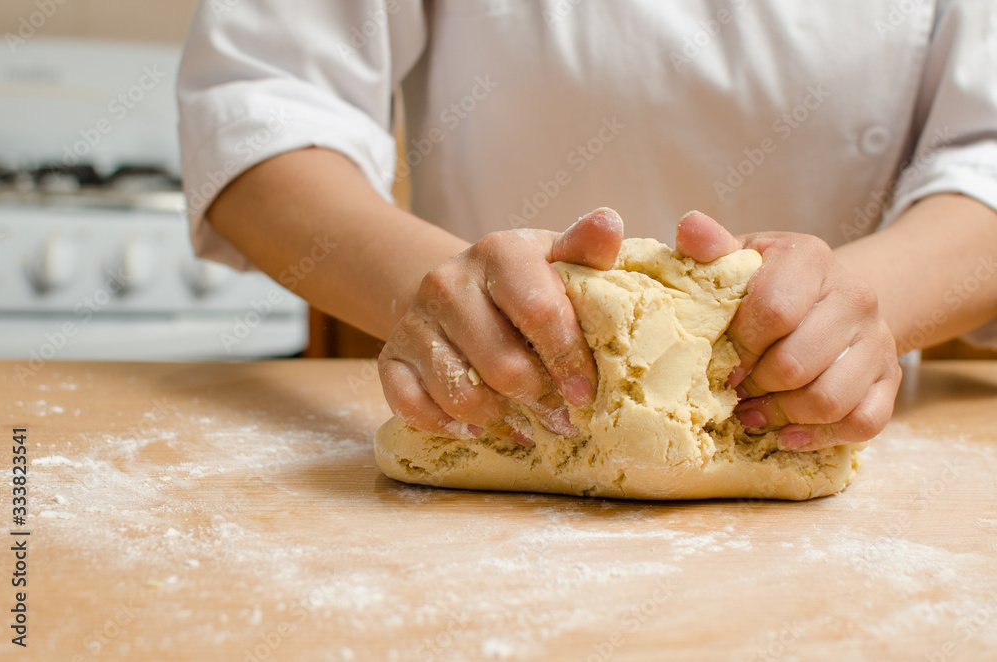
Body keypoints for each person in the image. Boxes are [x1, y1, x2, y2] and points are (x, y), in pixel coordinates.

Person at [177, 1, 997, 452]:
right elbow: (262, 102)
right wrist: (434, 294)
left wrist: (858, 313)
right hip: (501, 414)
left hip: (816, 424)